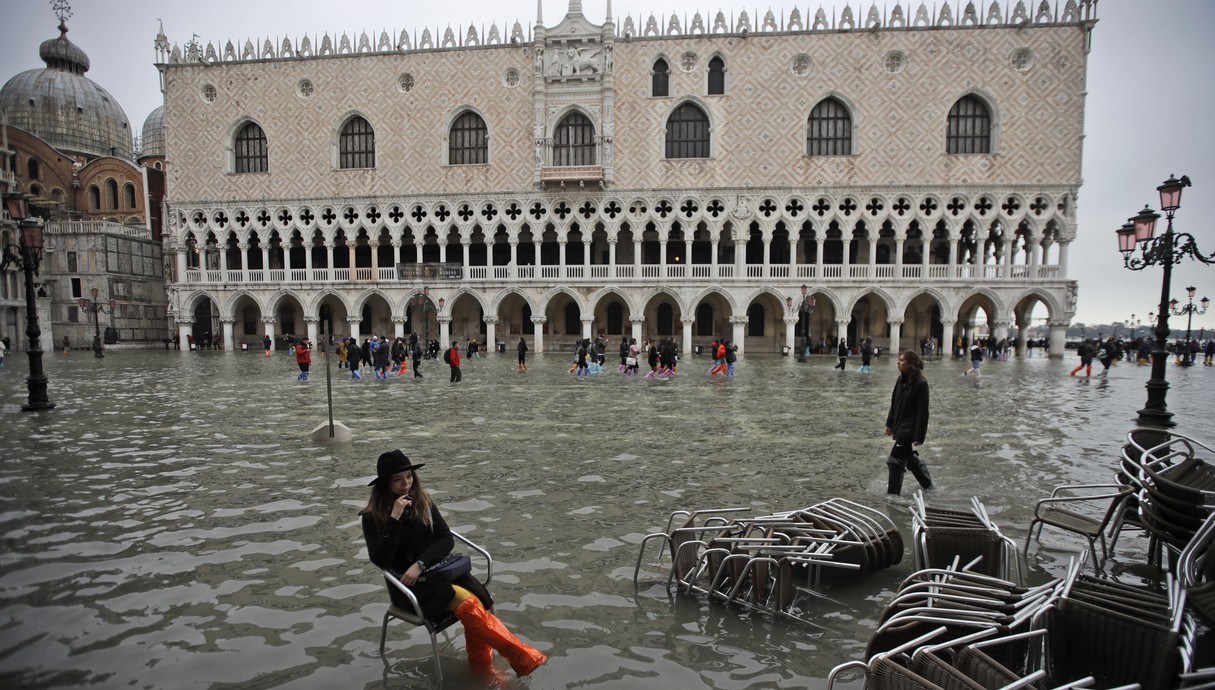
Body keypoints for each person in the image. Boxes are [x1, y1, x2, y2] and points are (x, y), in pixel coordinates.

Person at [360, 451, 546, 683]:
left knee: (476, 602)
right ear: (385, 484)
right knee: (468, 604)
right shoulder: (372, 517)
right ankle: (515, 659)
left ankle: (485, 668)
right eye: (398, 479)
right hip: (409, 588)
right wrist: (394, 519)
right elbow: (381, 560)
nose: (406, 483)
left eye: (409, 476)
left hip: (437, 573)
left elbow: (445, 539)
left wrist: (421, 563)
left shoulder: (422, 502)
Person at [884, 350, 933, 495]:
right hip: (899, 426)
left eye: (902, 360)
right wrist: (889, 423)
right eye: (898, 360)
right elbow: (894, 403)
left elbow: (923, 412)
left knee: (894, 460)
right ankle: (928, 486)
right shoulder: (900, 380)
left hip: (909, 430)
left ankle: (893, 496)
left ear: (911, 364)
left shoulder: (921, 384)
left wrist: (919, 435)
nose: (898, 363)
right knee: (908, 457)